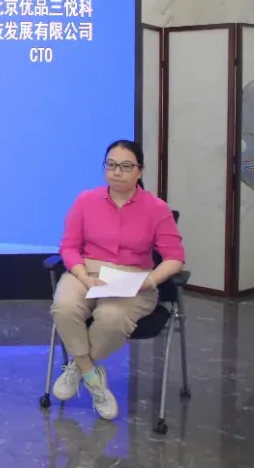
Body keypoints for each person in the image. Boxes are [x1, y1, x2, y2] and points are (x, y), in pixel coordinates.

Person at [50, 139, 185, 420]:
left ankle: (79, 366)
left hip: (134, 277)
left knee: (111, 317)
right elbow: (69, 247)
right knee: (64, 306)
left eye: (125, 166)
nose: (116, 172)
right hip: (87, 271)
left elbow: (174, 257)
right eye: (110, 165)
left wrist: (149, 282)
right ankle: (92, 375)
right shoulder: (85, 201)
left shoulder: (156, 208)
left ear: (139, 170)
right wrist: (83, 276)